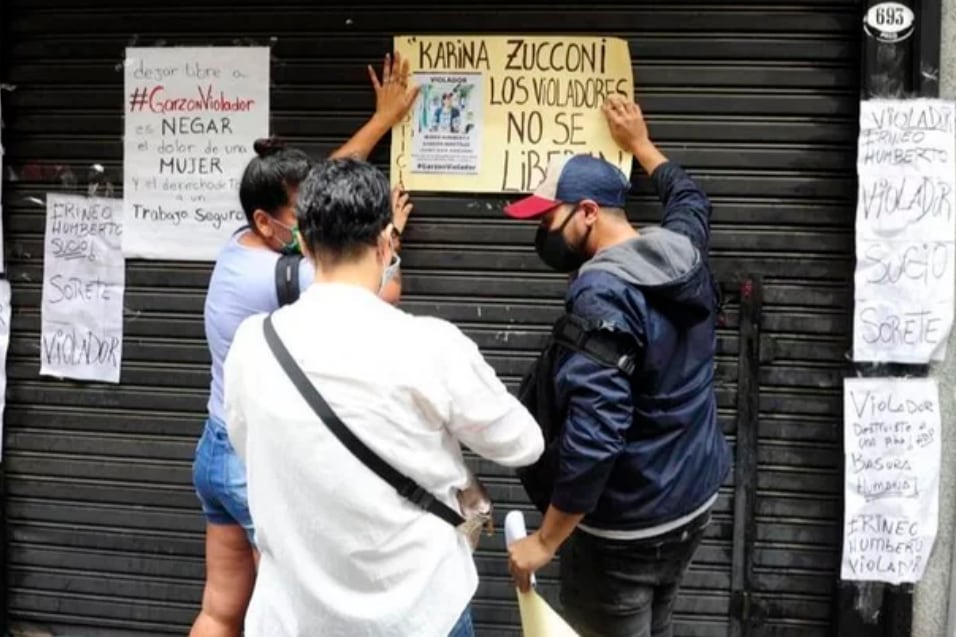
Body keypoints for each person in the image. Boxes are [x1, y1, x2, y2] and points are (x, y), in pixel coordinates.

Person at [222, 157, 545, 637]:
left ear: (305, 245)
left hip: (293, 620)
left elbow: (250, 450)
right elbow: (524, 444)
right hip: (419, 616)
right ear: (385, 242)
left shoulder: (252, 344)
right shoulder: (431, 345)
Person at [189, 52, 419, 637]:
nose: (315, 220)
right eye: (303, 214)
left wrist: (382, 120)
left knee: (221, 609)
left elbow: (328, 182)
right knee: (288, 616)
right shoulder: (280, 276)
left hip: (216, 452)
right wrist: (384, 236)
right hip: (254, 462)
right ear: (269, 222)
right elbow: (380, 293)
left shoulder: (243, 244)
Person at [506, 95, 732, 637]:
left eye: (549, 217)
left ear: (586, 212)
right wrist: (642, 146)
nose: (542, 231)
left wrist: (546, 541)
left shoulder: (603, 297)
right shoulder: (681, 250)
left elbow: (596, 435)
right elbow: (690, 200)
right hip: (692, 499)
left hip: (627, 527)